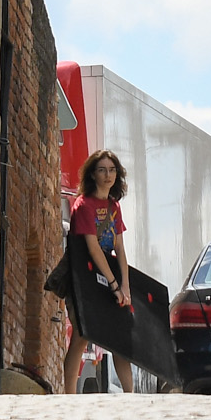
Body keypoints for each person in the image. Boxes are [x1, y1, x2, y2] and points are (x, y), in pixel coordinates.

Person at [58, 150, 132, 392]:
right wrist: (113, 284)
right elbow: (92, 247)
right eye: (102, 169)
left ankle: (131, 394)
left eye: (112, 170)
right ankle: (68, 396)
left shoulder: (114, 206)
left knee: (120, 337)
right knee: (81, 334)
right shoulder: (83, 205)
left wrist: (125, 285)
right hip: (84, 275)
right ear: (92, 174)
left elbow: (119, 248)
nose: (108, 175)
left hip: (108, 274)